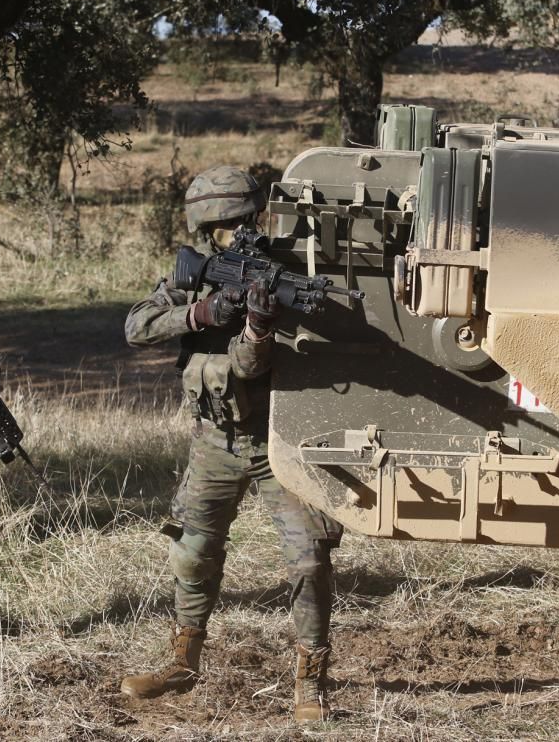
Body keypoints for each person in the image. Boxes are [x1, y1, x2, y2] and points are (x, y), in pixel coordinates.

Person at [120, 165, 343, 722]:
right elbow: (136, 327)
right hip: (215, 441)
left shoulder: (286, 275)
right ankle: (184, 662)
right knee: (193, 553)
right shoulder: (194, 277)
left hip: (280, 444)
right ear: (203, 231)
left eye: (239, 223)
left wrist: (258, 326)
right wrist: (202, 312)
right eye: (220, 228)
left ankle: (309, 682)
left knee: (309, 560)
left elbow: (253, 363)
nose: (232, 235)